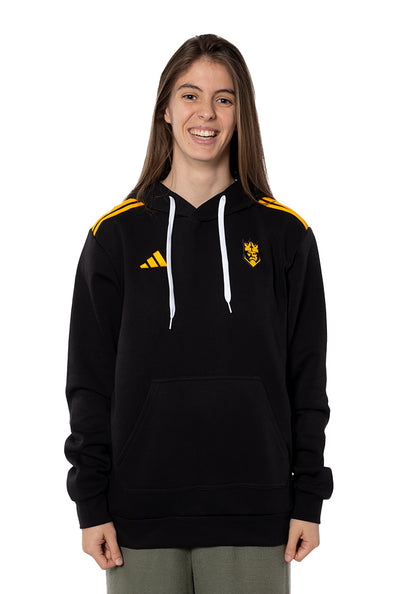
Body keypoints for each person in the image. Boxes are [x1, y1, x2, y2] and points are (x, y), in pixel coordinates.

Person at [64, 33, 333, 593]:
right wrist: (91, 504)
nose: (205, 113)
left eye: (223, 98)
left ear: (241, 113)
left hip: (256, 514)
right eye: (190, 95)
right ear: (165, 109)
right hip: (138, 517)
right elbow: (89, 384)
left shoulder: (286, 235)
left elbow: (307, 379)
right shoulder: (114, 236)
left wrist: (309, 496)